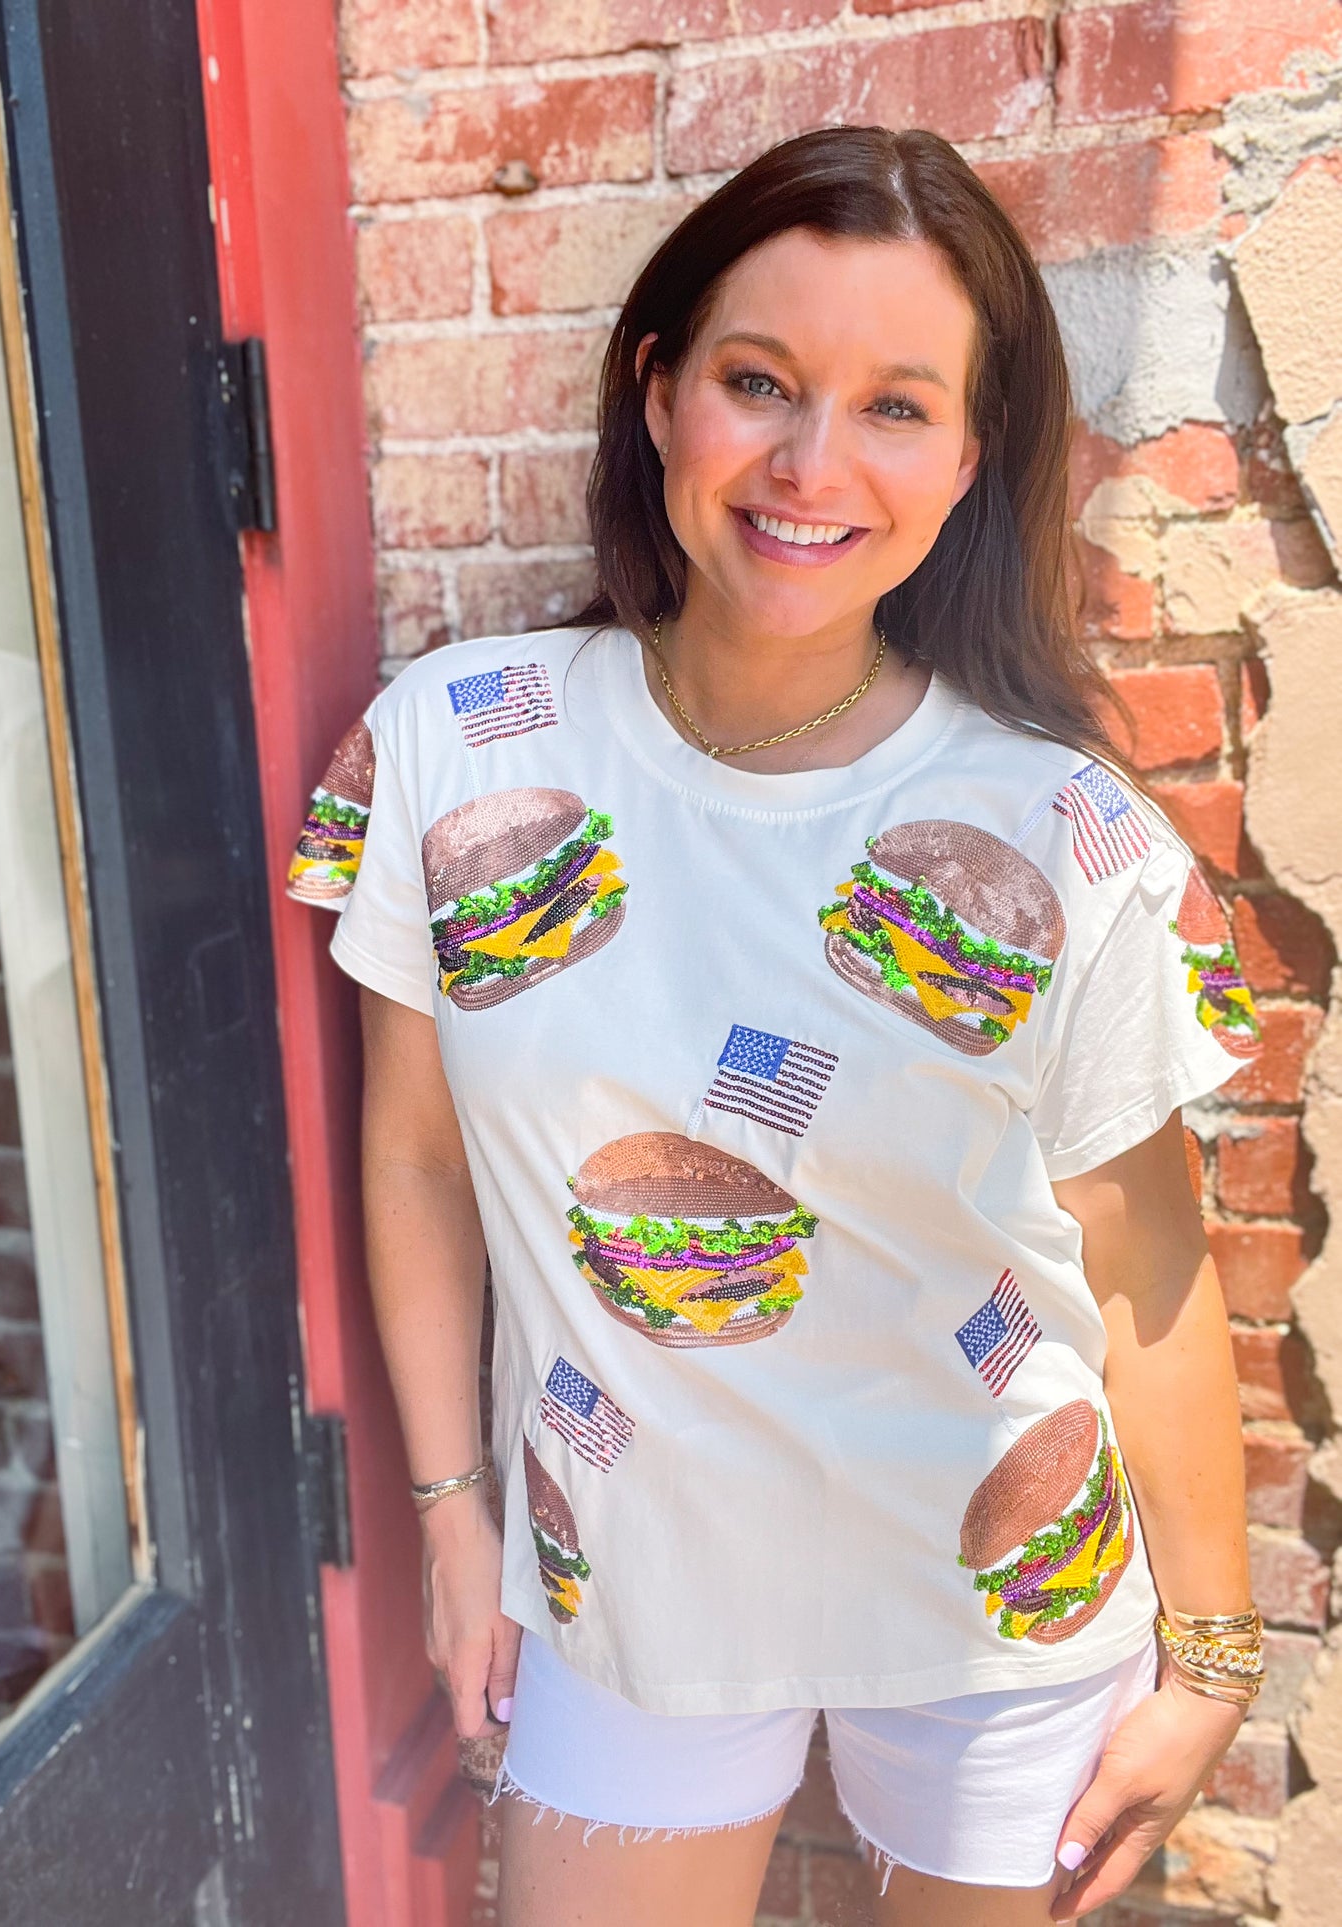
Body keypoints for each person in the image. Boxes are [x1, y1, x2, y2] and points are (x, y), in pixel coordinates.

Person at [309, 126, 1265, 1926]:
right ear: (659, 391)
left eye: (896, 406)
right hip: (623, 1577)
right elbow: (420, 1155)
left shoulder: (1058, 838)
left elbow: (1143, 1254)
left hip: (999, 1604)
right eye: (759, 381)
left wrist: (1209, 1656)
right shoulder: (457, 750)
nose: (810, 464)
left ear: (970, 460)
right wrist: (452, 1512)